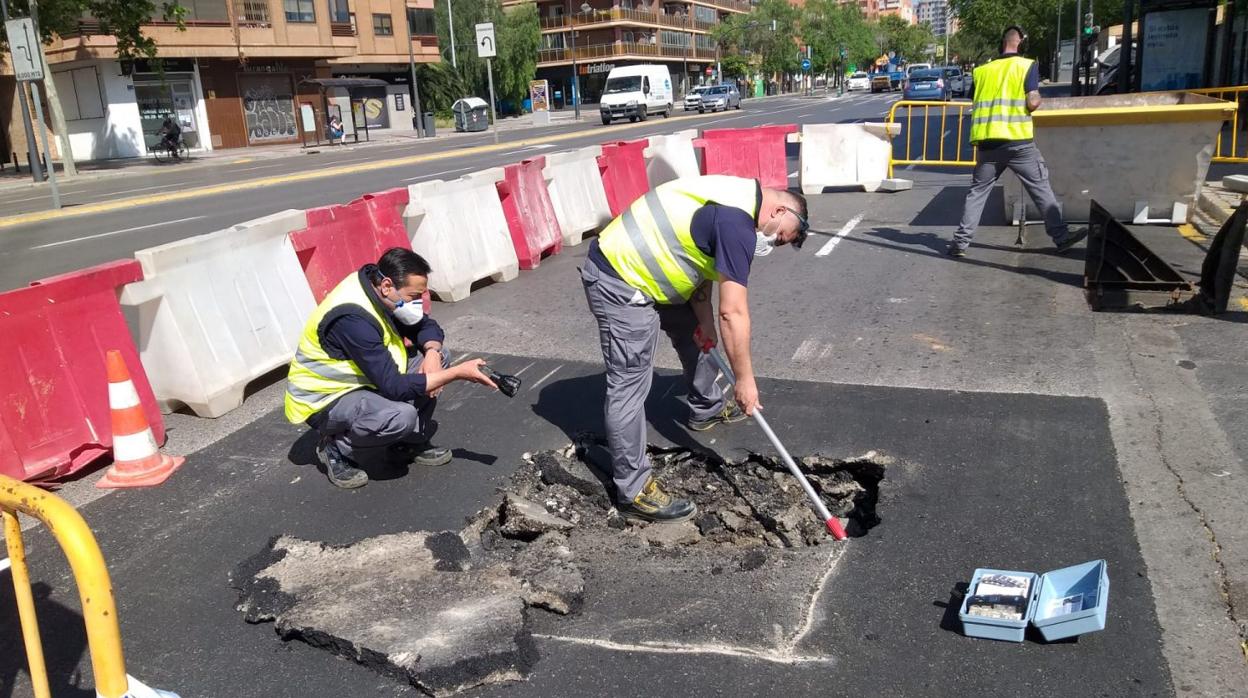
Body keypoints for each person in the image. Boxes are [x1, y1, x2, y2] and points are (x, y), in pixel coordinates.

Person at [581, 175, 809, 524]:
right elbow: (733, 313)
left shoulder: (737, 199)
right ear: (779, 209)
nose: (772, 244)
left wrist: (703, 321)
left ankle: (705, 407)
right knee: (629, 384)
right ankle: (633, 490)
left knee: (698, 337)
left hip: (657, 269)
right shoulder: (737, 224)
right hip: (620, 278)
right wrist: (744, 381)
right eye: (780, 236)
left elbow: (702, 261)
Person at [284, 248, 497, 489]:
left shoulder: (380, 291)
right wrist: (457, 373)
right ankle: (335, 448)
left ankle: (407, 442)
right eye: (413, 295)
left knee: (441, 357)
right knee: (400, 416)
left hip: (365, 380)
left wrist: (432, 352)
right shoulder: (352, 320)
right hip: (326, 399)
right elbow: (394, 386)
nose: (418, 302)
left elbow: (425, 326)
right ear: (387, 286)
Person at [949, 25, 1087, 258]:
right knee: (1040, 188)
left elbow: (976, 98)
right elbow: (1032, 102)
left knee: (977, 193)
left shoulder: (982, 70)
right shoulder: (1027, 66)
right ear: (1020, 42)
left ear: (1002, 42)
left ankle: (960, 243)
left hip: (987, 143)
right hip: (1018, 142)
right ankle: (1061, 237)